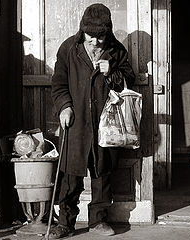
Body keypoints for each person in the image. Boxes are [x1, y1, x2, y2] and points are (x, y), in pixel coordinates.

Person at [50, 3, 135, 239]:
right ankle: (65, 223)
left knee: (102, 173)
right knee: (70, 175)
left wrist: (112, 72)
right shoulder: (68, 48)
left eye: (100, 36)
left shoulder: (116, 51)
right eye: (90, 36)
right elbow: (58, 85)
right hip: (75, 122)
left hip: (105, 124)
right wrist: (64, 107)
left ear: (107, 32)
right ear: (82, 30)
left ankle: (98, 221)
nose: (95, 42)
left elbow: (130, 78)